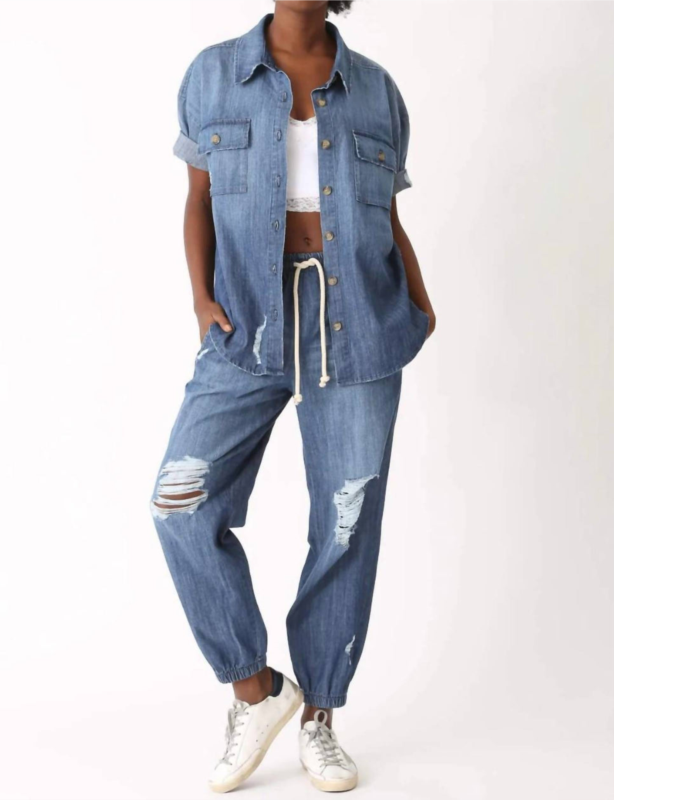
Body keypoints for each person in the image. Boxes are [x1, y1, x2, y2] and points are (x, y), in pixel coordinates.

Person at [151, 0, 436, 792]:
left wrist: (419, 301)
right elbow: (198, 199)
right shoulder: (213, 74)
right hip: (247, 324)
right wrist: (201, 300)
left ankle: (321, 721)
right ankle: (258, 690)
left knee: (345, 524)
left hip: (361, 325)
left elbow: (388, 215)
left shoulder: (376, 89)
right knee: (179, 504)